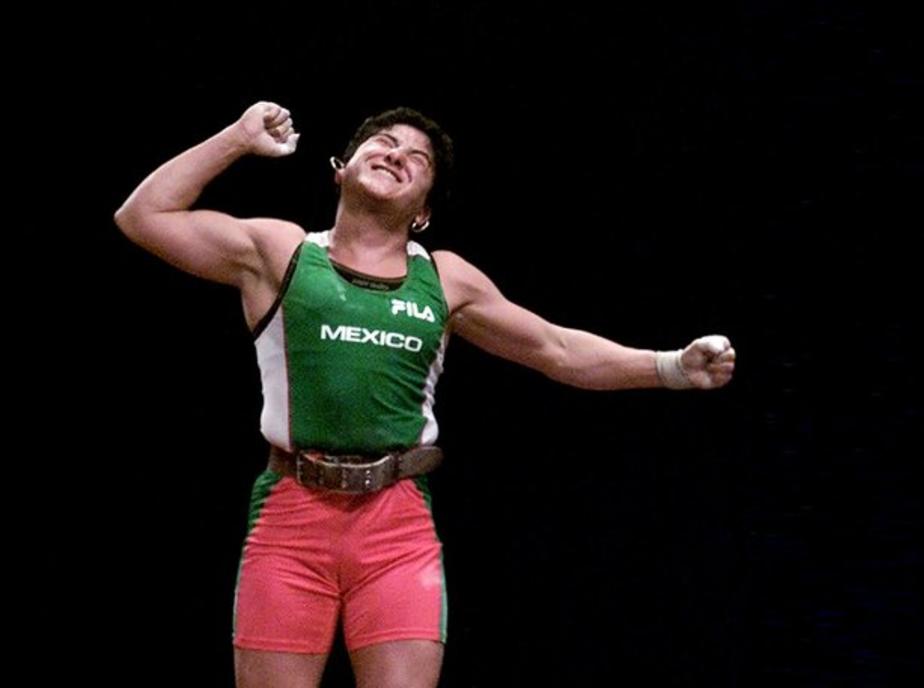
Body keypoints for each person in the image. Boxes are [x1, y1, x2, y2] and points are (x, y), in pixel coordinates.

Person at [114, 101, 737, 688]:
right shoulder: (280, 253)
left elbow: (558, 349)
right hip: (290, 519)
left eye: (417, 157)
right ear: (340, 169)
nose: (395, 154)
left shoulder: (444, 279)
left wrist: (671, 367)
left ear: (424, 213)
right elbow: (142, 217)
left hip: (396, 528)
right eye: (382, 142)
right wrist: (237, 139)